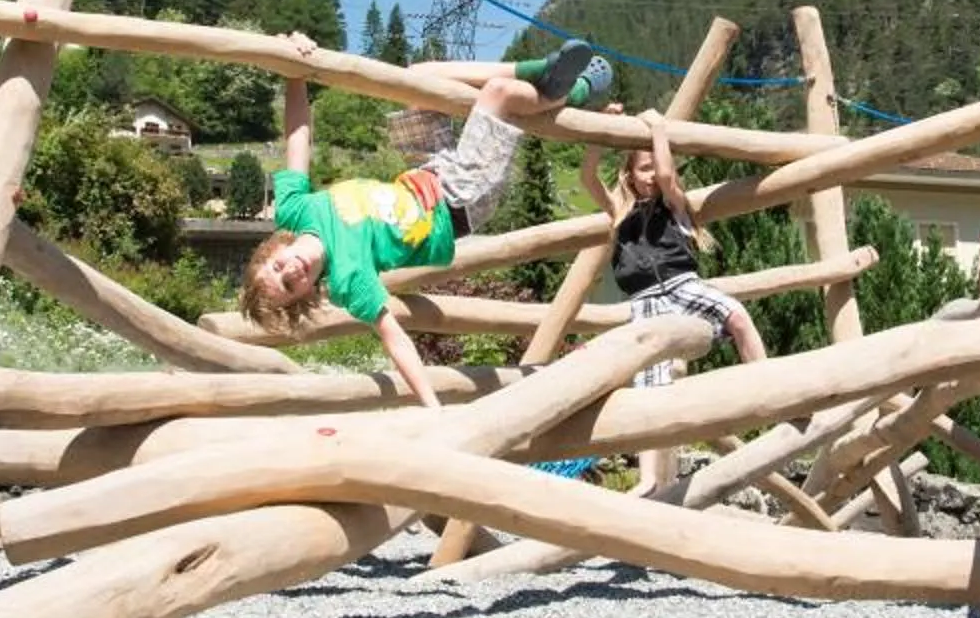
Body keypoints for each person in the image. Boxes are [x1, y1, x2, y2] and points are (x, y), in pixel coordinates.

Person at [240, 35, 611, 406]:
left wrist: (294, 71)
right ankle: (572, 91)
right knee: (499, 93)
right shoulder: (348, 279)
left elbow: (297, 136)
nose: (292, 272)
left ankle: (540, 72)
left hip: (426, 172)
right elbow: (393, 337)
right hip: (459, 202)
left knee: (418, 77)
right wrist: (432, 406)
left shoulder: (294, 210)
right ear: (305, 295)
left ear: (273, 250)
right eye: (290, 286)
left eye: (277, 268)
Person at [582, 107, 770, 385]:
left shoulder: (673, 203)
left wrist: (658, 128)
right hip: (645, 298)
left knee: (738, 317)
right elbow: (588, 178)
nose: (652, 176)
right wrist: (602, 129)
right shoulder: (619, 211)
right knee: (654, 378)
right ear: (630, 175)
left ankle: (766, 380)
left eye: (654, 168)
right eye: (644, 169)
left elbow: (666, 176)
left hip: (683, 285)